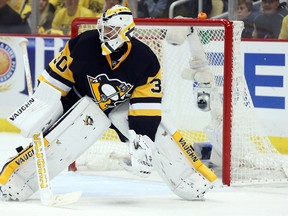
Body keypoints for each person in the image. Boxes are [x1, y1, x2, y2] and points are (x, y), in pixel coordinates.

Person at [0, 5, 215, 202]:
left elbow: (147, 105)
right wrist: (42, 109)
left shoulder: (145, 60)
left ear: (125, 33)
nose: (105, 33)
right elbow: (55, 81)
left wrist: (143, 138)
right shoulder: (84, 44)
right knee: (64, 135)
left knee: (153, 135)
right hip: (80, 99)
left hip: (122, 105)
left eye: (111, 29)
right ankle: (15, 179)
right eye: (104, 27)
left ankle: (191, 178)